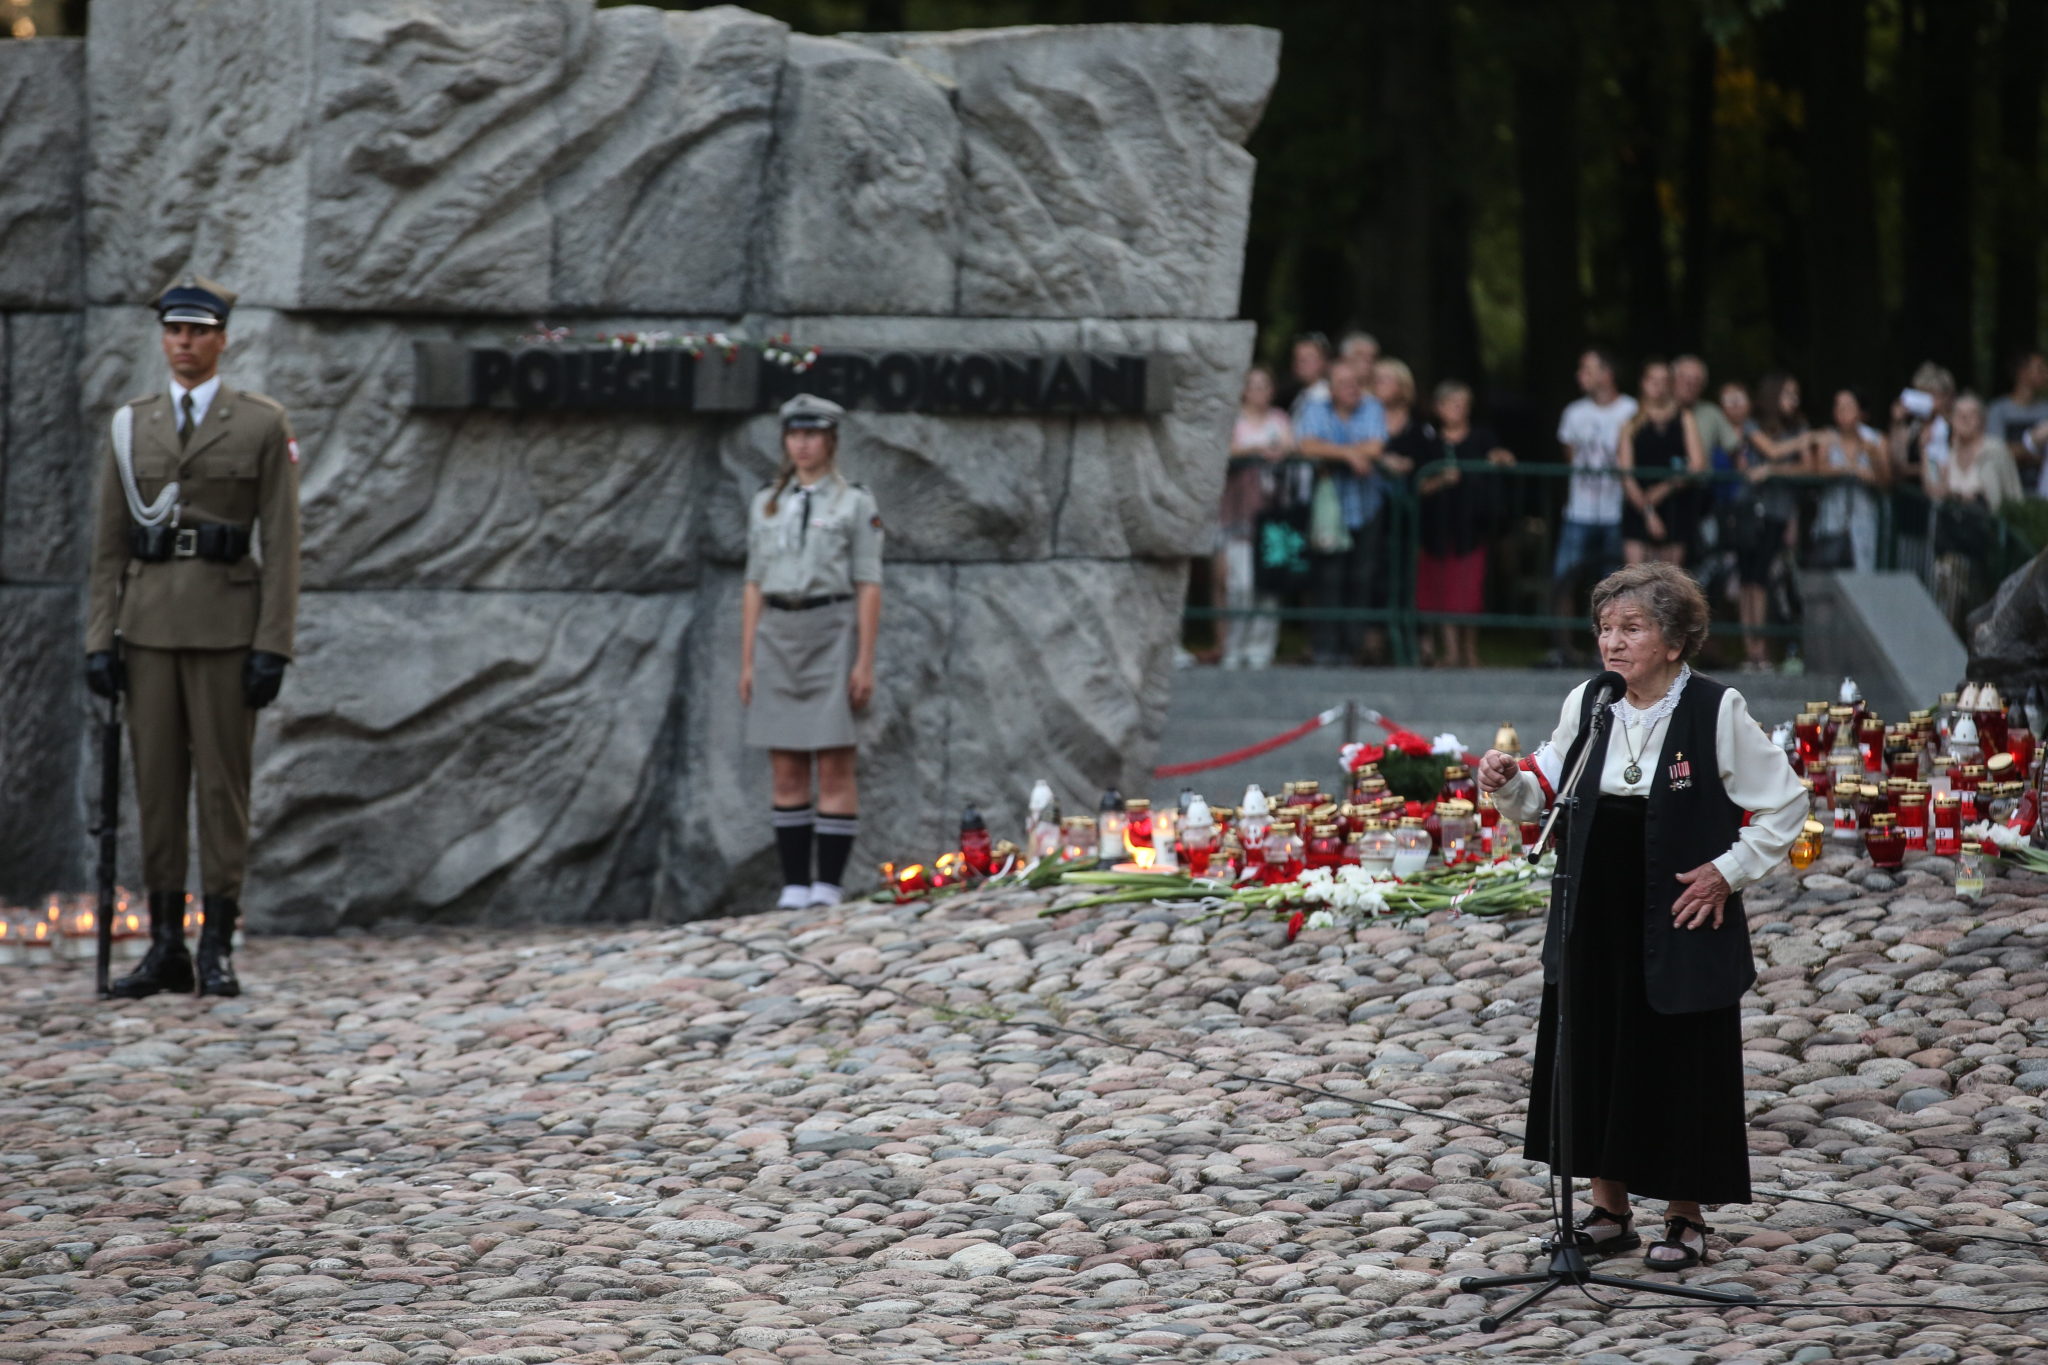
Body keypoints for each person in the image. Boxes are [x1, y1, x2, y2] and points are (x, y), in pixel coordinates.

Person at [1478, 563, 1804, 1270]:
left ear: (1675, 642)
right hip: (1595, 901)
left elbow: (1787, 802)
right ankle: (1609, 1209)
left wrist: (1729, 871)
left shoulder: (1717, 709)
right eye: (1604, 628)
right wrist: (1508, 787)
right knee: (1595, 1044)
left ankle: (1685, 1217)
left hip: (1683, 905)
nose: (1612, 642)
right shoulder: (1591, 701)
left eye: (1631, 628)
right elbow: (1545, 792)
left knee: (1679, 1055)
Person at [84, 275, 302, 999]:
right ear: (163, 337)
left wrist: (273, 642)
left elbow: (285, 541)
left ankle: (217, 944)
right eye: (174, 330)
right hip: (146, 628)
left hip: (225, 629)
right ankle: (166, 945)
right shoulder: (132, 423)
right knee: (156, 790)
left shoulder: (262, 424)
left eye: (199, 331)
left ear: (222, 338)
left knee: (222, 790)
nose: (184, 343)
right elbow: (109, 543)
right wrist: (99, 639)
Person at [741, 395, 884, 911]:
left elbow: (869, 583)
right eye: (794, 435)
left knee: (835, 760)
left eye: (813, 434)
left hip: (831, 630)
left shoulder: (854, 503)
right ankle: (795, 884)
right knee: (786, 767)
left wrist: (863, 659)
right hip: (778, 632)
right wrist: (748, 661)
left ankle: (829, 886)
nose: (802, 444)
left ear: (830, 440)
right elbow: (753, 583)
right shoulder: (766, 503)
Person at [1295, 362, 1389, 666]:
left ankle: (1354, 647)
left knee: (1362, 576)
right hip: (1330, 509)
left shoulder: (1372, 406)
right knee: (1328, 576)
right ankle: (1325, 646)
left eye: (1357, 381)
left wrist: (1334, 451)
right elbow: (1307, 445)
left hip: (1366, 506)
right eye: (1345, 383)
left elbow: (1376, 446)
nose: (1353, 387)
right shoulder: (1316, 407)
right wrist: (1349, 454)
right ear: (1332, 388)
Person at [1547, 350, 1636, 667]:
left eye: (1588, 368)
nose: (1580, 374)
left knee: (1615, 583)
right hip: (1579, 509)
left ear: (1607, 374)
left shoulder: (1630, 409)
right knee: (1564, 577)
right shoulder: (1574, 412)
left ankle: (1613, 651)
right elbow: (1570, 455)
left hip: (1615, 508)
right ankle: (1563, 648)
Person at [1417, 380, 1514, 668]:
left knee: (1470, 591)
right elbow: (1419, 485)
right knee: (1443, 591)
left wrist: (1500, 457)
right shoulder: (1430, 443)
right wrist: (1440, 480)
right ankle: (1450, 652)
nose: (1458, 409)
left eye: (1462, 404)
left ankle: (1470, 650)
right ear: (1438, 408)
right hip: (1437, 528)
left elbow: (1501, 456)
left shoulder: (1482, 437)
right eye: (1451, 403)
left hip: (1472, 527)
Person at [1926, 393, 2025, 628]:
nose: (1965, 420)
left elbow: (2011, 498)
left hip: (1988, 542)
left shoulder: (1995, 451)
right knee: (1948, 576)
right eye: (1959, 415)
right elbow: (1934, 492)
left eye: (1971, 415)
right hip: (1954, 541)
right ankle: (1948, 634)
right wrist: (1926, 451)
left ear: (1982, 420)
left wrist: (1977, 498)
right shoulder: (1946, 455)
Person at [1221, 366, 1294, 669]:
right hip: (1239, 512)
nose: (1259, 391)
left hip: (1273, 512)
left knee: (1269, 582)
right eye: (1253, 385)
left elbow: (1292, 444)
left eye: (1265, 385)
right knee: (1241, 584)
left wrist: (1281, 451)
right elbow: (1226, 449)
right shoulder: (1233, 419)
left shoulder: (1279, 419)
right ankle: (1235, 645)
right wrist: (1256, 449)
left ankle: (1262, 648)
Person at [1618, 359, 1706, 566]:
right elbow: (1626, 474)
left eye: (1663, 380)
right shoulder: (1630, 423)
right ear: (1643, 383)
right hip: (1638, 508)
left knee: (1670, 586)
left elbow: (1697, 465)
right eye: (1652, 380)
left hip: (1675, 506)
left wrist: (1663, 489)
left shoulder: (1684, 418)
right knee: (1636, 581)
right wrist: (1648, 511)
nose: (1658, 386)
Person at [1810, 389, 1888, 572]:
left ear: (1861, 411)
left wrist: (1874, 460)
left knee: (1863, 575)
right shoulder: (1827, 437)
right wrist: (1850, 470)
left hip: (1864, 521)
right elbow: (1819, 469)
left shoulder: (1876, 440)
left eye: (1848, 406)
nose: (1841, 410)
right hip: (1831, 520)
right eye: (1838, 405)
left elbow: (1886, 481)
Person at [1985, 350, 2048, 484]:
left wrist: (2017, 451)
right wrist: (2033, 447)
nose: (2046, 373)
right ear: (2022, 372)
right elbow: (1995, 452)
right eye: (2040, 369)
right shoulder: (1999, 410)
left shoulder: (2046, 409)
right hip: (2008, 490)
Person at [1276, 332, 1331, 416]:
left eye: (1308, 358)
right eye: (1297, 358)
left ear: (1323, 361)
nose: (1300, 363)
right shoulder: (1298, 397)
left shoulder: (1329, 398)